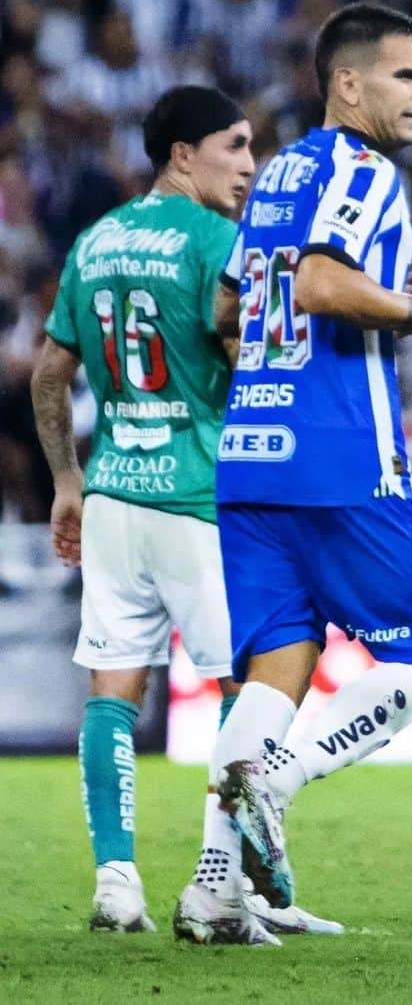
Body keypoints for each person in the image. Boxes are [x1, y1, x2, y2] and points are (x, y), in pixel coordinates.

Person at [195, 3, 412, 923]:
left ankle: (214, 893)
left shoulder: (277, 175)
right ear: (348, 84)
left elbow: (230, 312)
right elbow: (317, 283)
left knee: (280, 662)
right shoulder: (362, 169)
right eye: (407, 76)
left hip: (251, 455)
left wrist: (286, 363)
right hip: (342, 454)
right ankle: (281, 781)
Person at [31, 86, 254, 934]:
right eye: (233, 146)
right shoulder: (216, 242)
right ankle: (218, 879)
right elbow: (236, 355)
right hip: (199, 496)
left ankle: (116, 881)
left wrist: (65, 480)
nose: (248, 165)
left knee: (112, 690)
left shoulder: (94, 241)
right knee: (248, 686)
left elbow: (49, 375)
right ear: (182, 154)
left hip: (117, 490)